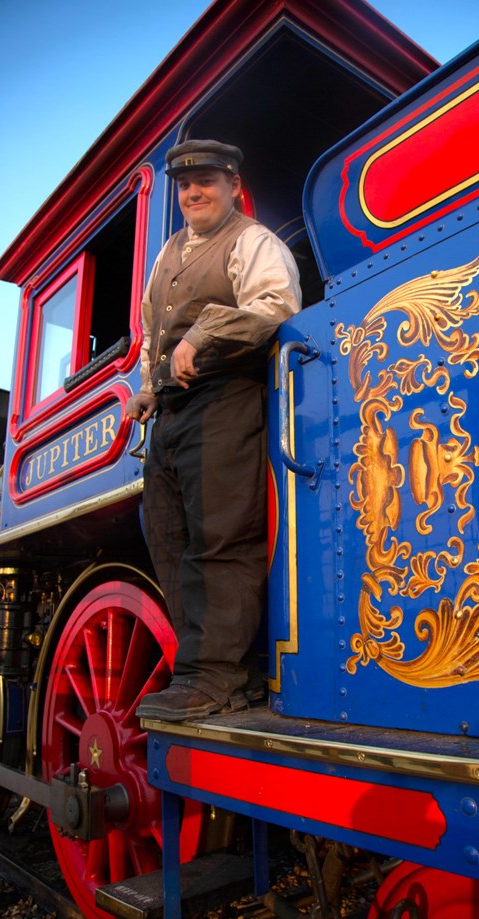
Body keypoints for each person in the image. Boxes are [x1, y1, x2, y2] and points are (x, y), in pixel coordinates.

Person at [125, 139, 301, 722]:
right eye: (185, 185)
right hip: (171, 413)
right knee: (170, 544)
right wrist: (147, 389)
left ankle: (224, 678)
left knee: (222, 541)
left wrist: (206, 332)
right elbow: (153, 334)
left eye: (206, 182)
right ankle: (200, 672)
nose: (193, 193)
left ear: (233, 187)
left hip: (225, 398)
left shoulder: (253, 241)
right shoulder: (169, 253)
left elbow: (276, 306)